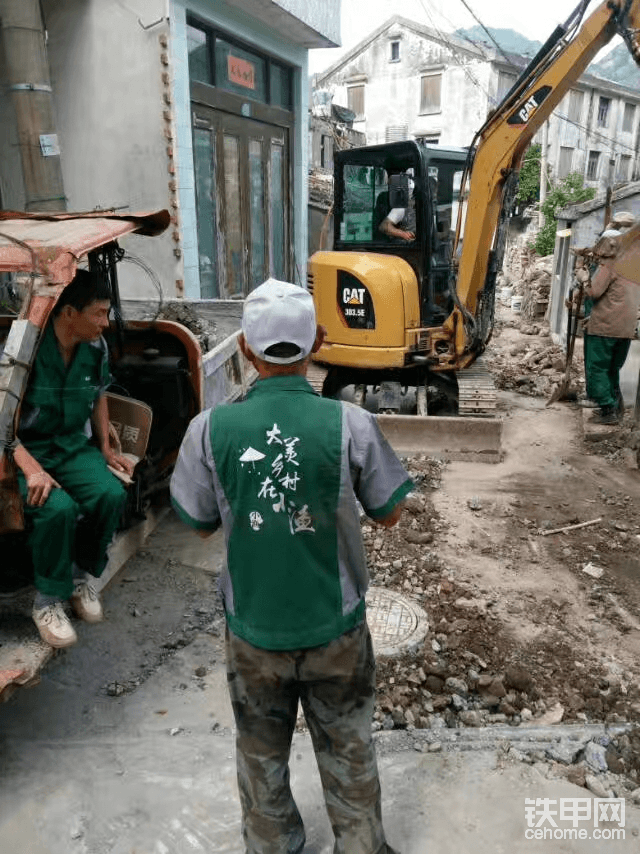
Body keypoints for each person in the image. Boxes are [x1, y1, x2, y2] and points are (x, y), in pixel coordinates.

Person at [170, 278, 412, 854]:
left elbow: (199, 522)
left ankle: (273, 844)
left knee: (259, 749)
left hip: (253, 628)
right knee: (348, 742)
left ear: (247, 351)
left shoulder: (209, 429)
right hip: (336, 626)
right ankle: (360, 844)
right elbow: (391, 512)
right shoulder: (350, 423)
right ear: (318, 343)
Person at [13, 269, 133, 648]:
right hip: (25, 451)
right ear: (68, 313)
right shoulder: (24, 352)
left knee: (110, 494)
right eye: (98, 313)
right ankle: (47, 601)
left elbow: (98, 394)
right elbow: (2, 424)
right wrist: (32, 470)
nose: (104, 323)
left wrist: (105, 446)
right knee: (56, 507)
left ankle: (81, 578)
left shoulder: (95, 348)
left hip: (70, 446)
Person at [582, 228, 640, 424]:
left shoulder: (610, 264)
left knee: (598, 368)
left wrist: (583, 279)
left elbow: (594, 291)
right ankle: (616, 407)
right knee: (612, 369)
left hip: (605, 326)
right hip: (625, 329)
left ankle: (608, 411)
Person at [378, 172, 416, 242]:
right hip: (406, 247)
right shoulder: (403, 207)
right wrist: (403, 234)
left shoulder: (430, 210)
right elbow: (384, 226)